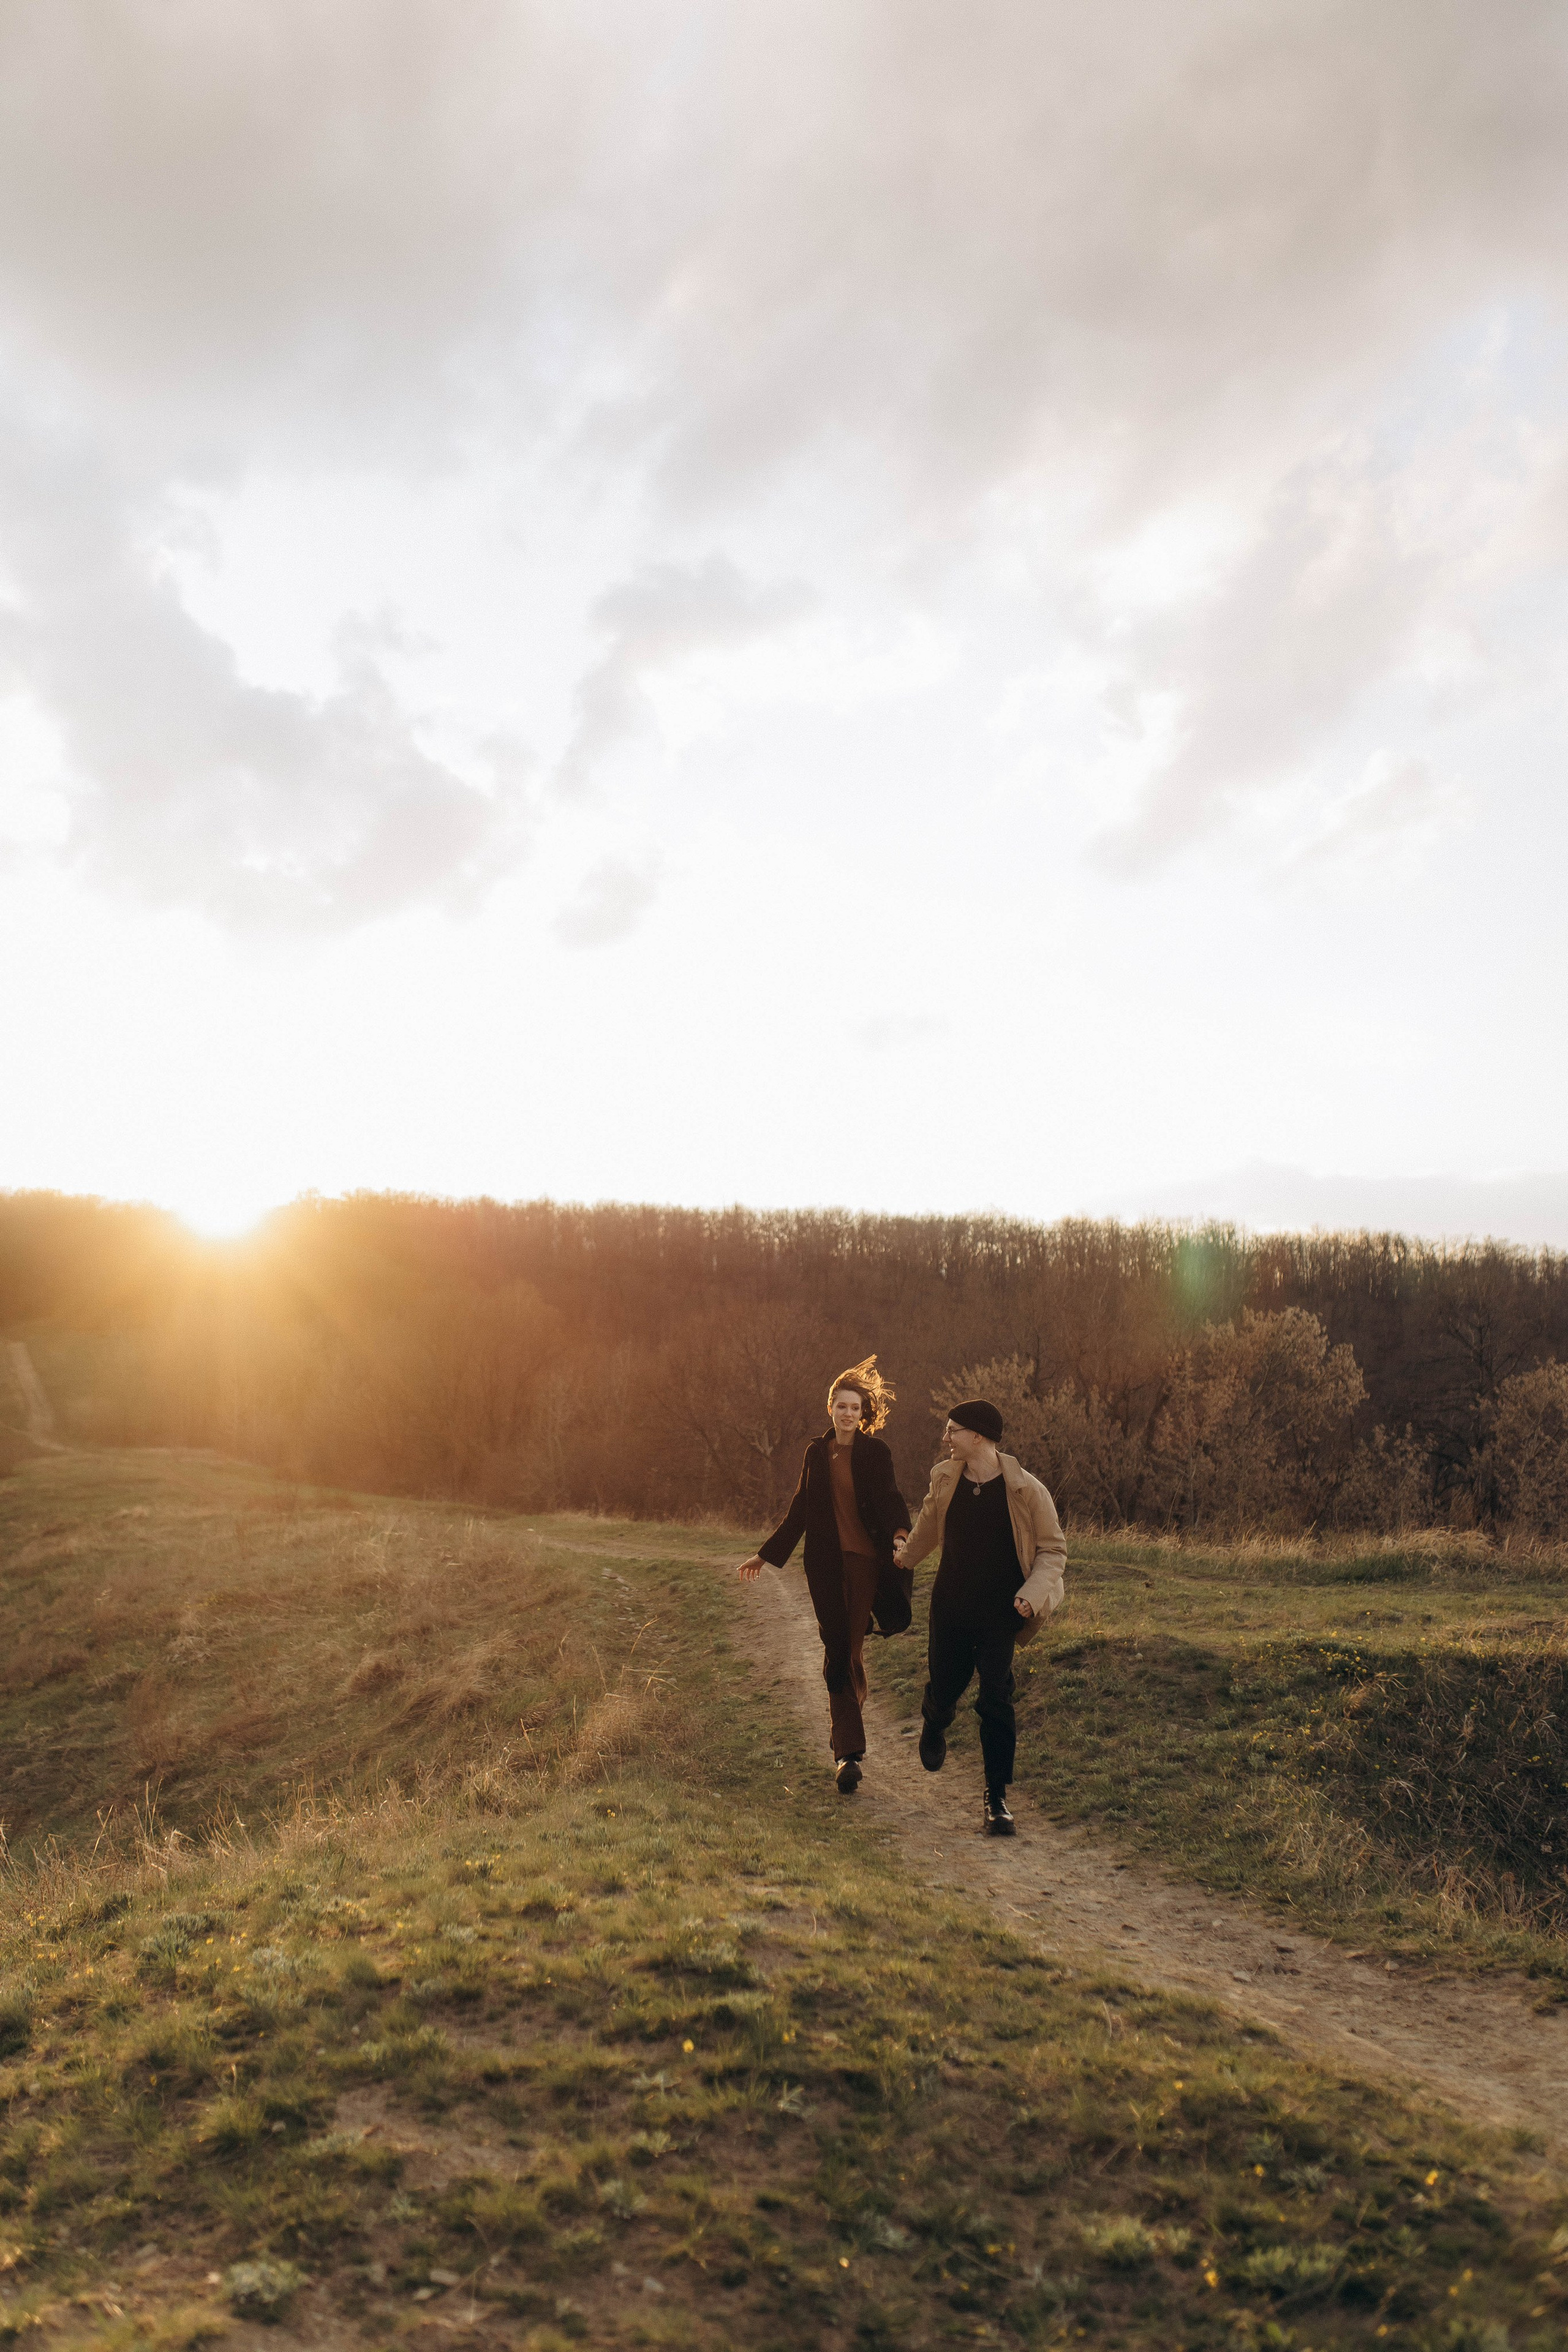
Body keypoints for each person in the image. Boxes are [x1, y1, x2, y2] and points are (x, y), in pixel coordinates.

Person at [737, 1357, 911, 1793]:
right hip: (826, 1565)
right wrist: (765, 1555)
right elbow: (801, 1509)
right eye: (841, 1406)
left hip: (866, 1564)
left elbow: (890, 1498)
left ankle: (846, 1736)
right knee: (837, 1647)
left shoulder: (876, 1453)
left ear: (863, 1413)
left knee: (849, 1649)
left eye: (855, 1407)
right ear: (830, 1408)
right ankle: (848, 1755)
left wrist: (899, 1535)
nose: (848, 1414)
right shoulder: (816, 1453)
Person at [895, 1398, 1066, 1836]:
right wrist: (903, 1557)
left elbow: (1053, 1550)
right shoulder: (945, 1478)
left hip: (1000, 1613)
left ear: (977, 1436)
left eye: (952, 1430)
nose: (945, 1437)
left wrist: (1031, 1596)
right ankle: (936, 1718)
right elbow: (928, 1530)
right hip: (951, 1608)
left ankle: (997, 1799)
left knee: (996, 1699)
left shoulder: (1028, 1490)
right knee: (947, 1684)